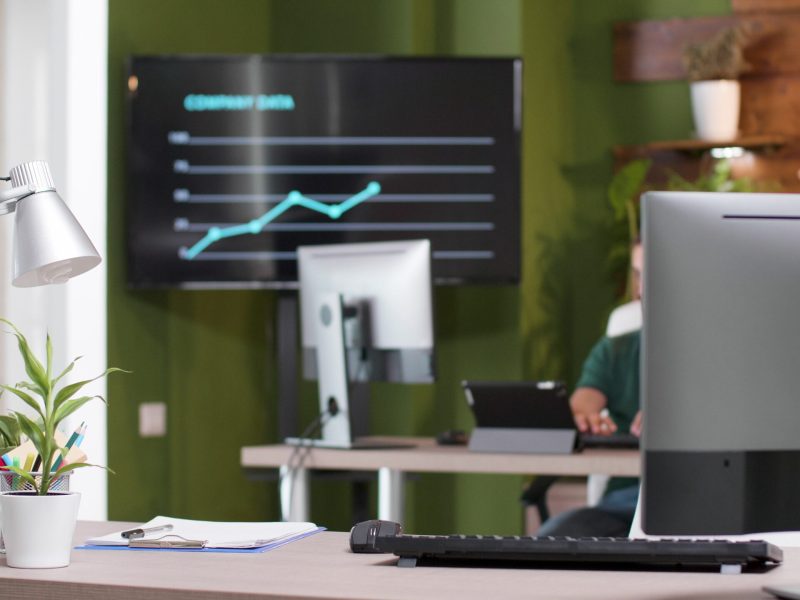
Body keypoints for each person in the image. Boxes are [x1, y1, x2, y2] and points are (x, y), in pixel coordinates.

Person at [535, 239, 643, 538]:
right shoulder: (616, 350)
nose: (641, 290)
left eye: (654, 275)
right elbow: (582, 403)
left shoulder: (719, 350)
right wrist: (583, 417)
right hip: (624, 501)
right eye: (638, 275)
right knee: (549, 542)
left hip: (693, 500)